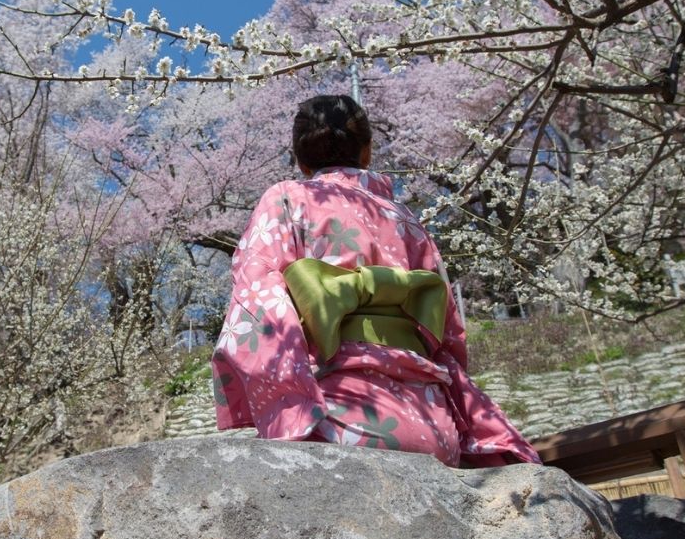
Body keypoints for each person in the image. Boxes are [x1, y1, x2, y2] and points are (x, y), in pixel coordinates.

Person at [212, 94, 540, 467]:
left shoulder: (286, 199)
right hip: (434, 424)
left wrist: (288, 410)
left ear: (300, 161)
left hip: (339, 420)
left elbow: (257, 305)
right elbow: (447, 334)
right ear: (367, 152)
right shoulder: (407, 220)